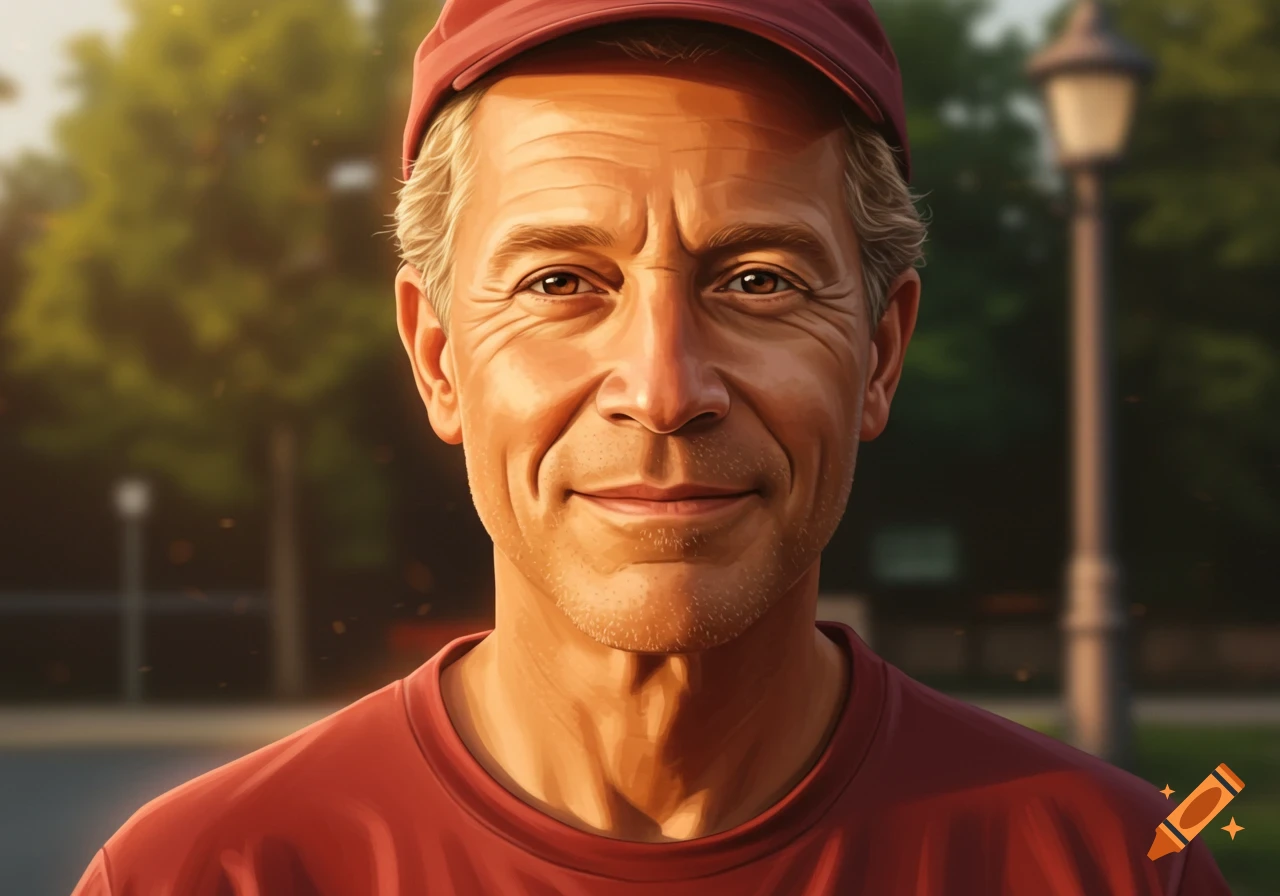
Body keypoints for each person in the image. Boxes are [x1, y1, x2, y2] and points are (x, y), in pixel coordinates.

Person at [72, 1, 1231, 893]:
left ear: (878, 352)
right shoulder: (205, 873)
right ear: (437, 357)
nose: (664, 387)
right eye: (560, 281)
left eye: (759, 279)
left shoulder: (1118, 865)